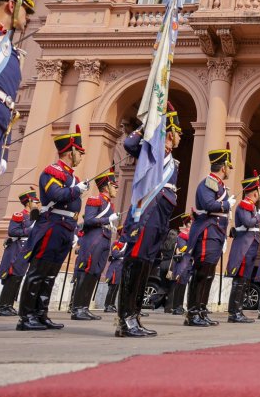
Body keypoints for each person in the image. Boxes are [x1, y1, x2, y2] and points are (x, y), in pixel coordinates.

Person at [16, 125, 89, 331]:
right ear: (70, 152)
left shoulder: (72, 177)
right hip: (52, 226)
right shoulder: (52, 171)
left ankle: (41, 314)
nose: (81, 156)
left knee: (51, 274)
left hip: (65, 228)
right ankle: (26, 317)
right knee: (38, 272)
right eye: (79, 153)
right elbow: (57, 195)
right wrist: (76, 189)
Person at [118, 104, 181, 337]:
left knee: (146, 264)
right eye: (177, 132)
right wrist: (150, 124)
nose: (180, 137)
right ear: (169, 133)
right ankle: (125, 320)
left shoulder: (171, 161)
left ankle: (134, 315)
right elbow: (129, 144)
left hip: (161, 218)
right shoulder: (150, 151)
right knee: (136, 261)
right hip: (146, 215)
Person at [185, 143, 234, 328]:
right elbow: (208, 204)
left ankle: (201, 311)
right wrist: (227, 204)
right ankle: (192, 313)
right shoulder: (209, 182)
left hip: (216, 232)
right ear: (223, 167)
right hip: (208, 230)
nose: (229, 170)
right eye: (229, 166)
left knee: (208, 274)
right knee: (201, 272)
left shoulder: (220, 185)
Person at [0, 0, 35, 180]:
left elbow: (9, 106)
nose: (27, 17)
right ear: (13, 5)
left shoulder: (12, 52)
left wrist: (5, 147)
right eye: (27, 10)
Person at [71, 167, 120, 321]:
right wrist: (107, 220)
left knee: (95, 273)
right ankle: (78, 308)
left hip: (104, 238)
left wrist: (110, 225)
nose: (117, 189)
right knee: (87, 271)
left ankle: (85, 307)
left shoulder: (109, 204)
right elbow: (89, 220)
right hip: (94, 239)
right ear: (106, 186)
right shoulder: (95, 200)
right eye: (114, 186)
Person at [225, 170, 260, 324]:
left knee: (244, 279)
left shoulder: (250, 206)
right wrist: (258, 216)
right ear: (255, 191)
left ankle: (238, 310)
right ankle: (234, 312)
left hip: (250, 245)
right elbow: (248, 222)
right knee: (240, 279)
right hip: (245, 246)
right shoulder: (246, 205)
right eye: (259, 190)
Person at [0, 188, 38, 316]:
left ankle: (9, 305)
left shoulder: (35, 217)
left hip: (26, 250)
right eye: (35, 202)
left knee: (18, 277)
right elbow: (13, 231)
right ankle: (3, 306)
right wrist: (30, 231)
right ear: (28, 202)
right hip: (17, 248)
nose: (37, 204)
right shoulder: (19, 215)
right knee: (13, 276)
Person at [168, 219, 192, 316]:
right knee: (179, 285)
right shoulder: (182, 235)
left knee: (183, 285)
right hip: (183, 263)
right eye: (190, 223)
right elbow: (182, 248)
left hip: (189, 263)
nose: (191, 225)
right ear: (186, 225)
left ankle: (180, 305)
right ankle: (176, 307)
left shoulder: (191, 235)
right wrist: (191, 246)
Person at [103, 234, 126, 313]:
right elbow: (115, 254)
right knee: (112, 288)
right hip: (115, 268)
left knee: (116, 288)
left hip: (120, 268)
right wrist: (125, 251)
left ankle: (112, 304)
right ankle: (107, 305)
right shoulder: (116, 243)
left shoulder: (125, 244)